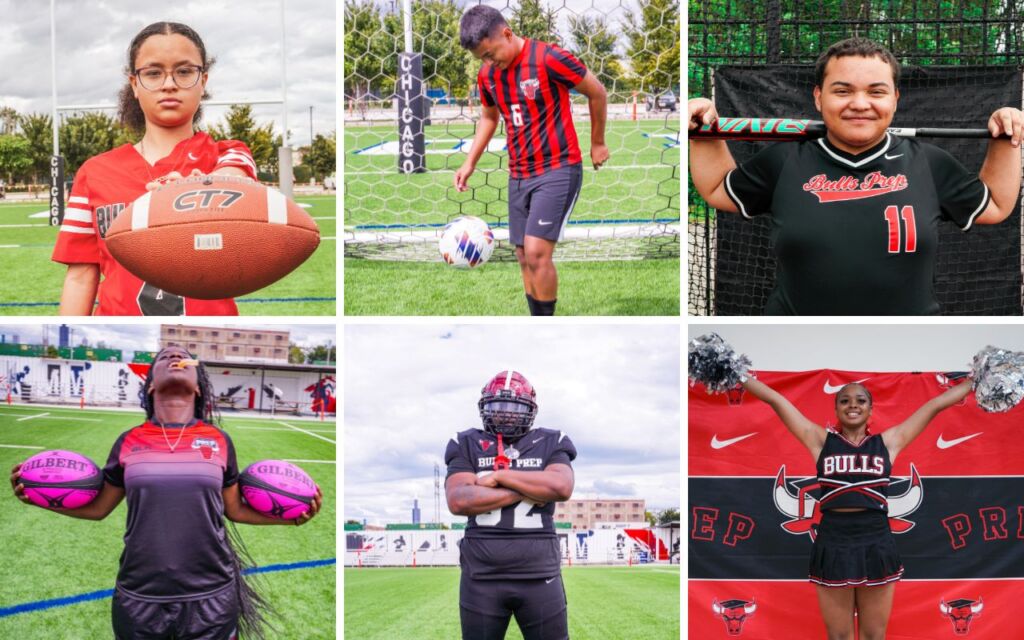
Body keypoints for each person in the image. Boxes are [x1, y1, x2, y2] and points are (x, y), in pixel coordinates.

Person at [688, 37, 1024, 315]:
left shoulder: (930, 163)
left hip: (908, 342)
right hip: (795, 339)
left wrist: (1007, 135)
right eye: (842, 91)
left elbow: (995, 205)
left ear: (895, 99)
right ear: (819, 98)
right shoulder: (784, 159)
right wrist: (703, 129)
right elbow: (718, 188)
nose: (860, 103)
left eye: (876, 92)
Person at [9, 346, 323, 640]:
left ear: (198, 388)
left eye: (183, 355)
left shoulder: (219, 440)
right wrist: (39, 498)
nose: (175, 354)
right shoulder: (129, 440)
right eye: (164, 356)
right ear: (150, 386)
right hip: (140, 593)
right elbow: (99, 507)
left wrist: (291, 521)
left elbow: (235, 510)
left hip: (212, 594)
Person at [740, 374, 973, 640]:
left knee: (874, 636)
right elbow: (775, 400)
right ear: (836, 409)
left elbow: (935, 405)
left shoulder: (887, 443)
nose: (853, 405)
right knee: (839, 637)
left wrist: (977, 379)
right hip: (833, 540)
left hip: (876, 539)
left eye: (861, 400)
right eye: (844, 400)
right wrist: (736, 372)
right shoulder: (821, 441)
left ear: (871, 409)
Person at [53, 22, 260, 316]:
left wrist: (200, 191)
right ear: (135, 84)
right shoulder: (94, 172)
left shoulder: (227, 154)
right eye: (153, 73)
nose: (169, 83)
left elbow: (233, 178)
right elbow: (79, 276)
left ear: (203, 80)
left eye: (185, 71)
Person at [456, 6, 610, 316]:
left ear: (507, 33)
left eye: (490, 53)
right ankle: (536, 319)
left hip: (558, 168)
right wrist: (470, 161)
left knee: (538, 252)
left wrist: (597, 142)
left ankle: (546, 322)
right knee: (524, 255)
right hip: (519, 174)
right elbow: (489, 117)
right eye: (481, 59)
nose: (488, 62)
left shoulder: (548, 59)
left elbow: (597, 92)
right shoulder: (488, 75)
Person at [445, 370, 577, 639]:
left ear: (530, 409)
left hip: (540, 576)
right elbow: (458, 499)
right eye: (497, 406)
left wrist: (500, 476)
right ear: (484, 408)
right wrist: (529, 488)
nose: (506, 414)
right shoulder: (467, 442)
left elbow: (561, 487)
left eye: (515, 407)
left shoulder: (551, 440)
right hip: (481, 578)